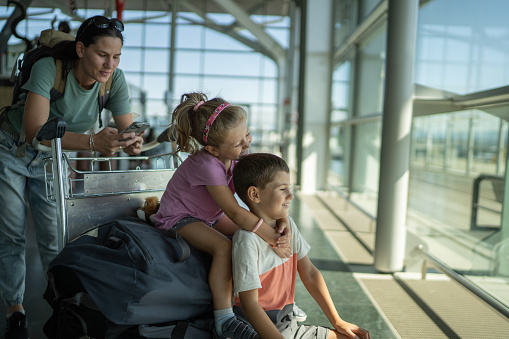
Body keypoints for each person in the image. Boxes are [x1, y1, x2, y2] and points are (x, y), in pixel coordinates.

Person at [0, 15, 144, 339]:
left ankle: (63, 305)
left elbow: (125, 127)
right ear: (81, 49)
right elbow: (34, 130)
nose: (110, 64)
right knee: (12, 234)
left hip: (53, 159)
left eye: (116, 56)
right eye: (102, 54)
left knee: (56, 233)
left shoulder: (114, 81)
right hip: (13, 150)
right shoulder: (50, 68)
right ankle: (14, 308)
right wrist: (93, 142)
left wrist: (132, 142)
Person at [154, 92, 293, 339]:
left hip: (209, 217)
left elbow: (256, 200)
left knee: (252, 237)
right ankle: (224, 317)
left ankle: (268, 302)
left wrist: (281, 222)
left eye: (247, 135)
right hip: (180, 217)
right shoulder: (207, 164)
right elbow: (235, 211)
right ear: (212, 149)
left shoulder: (234, 157)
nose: (247, 144)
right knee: (224, 248)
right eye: (239, 143)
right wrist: (273, 236)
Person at [231, 153, 372, 339]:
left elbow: (310, 274)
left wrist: (337, 321)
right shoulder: (246, 241)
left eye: (289, 188)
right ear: (255, 194)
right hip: (256, 332)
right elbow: (250, 306)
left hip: (288, 327)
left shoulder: (288, 227)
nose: (290, 195)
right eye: (282, 189)